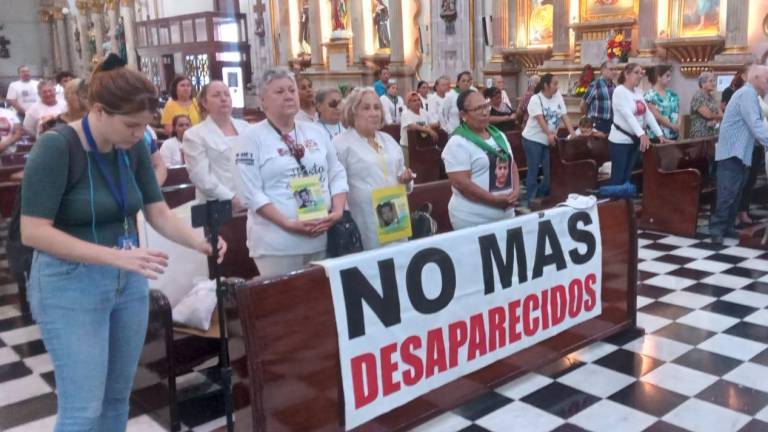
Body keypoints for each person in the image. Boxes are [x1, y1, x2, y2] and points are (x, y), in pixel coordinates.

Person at [19, 53, 226, 432]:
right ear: (98, 111)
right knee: (83, 409)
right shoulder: (56, 147)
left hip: (126, 281)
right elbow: (33, 232)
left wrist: (200, 243)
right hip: (70, 283)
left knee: (117, 400)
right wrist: (114, 256)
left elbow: (157, 211)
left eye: (144, 126)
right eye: (131, 125)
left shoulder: (132, 148)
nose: (138, 135)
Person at [235, 68, 348, 276]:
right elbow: (250, 192)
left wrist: (337, 211)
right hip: (277, 244)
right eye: (279, 92)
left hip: (319, 237)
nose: (288, 95)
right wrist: (287, 223)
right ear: (263, 101)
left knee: (318, 304)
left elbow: (336, 172)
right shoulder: (251, 138)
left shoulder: (315, 131)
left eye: (291, 90)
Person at [333, 87, 414, 250]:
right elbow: (335, 184)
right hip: (364, 216)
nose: (374, 113)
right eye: (366, 108)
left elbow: (401, 172)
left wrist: (406, 179)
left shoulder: (389, 140)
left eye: (377, 107)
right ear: (353, 111)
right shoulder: (340, 144)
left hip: (395, 215)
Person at [442, 90, 520, 229]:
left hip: (506, 216)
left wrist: (515, 191)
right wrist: (494, 201)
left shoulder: (498, 135)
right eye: (478, 109)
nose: (485, 112)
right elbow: (462, 184)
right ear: (463, 115)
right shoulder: (458, 142)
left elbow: (512, 164)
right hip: (473, 220)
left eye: (486, 106)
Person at [709, 65, 768, 244]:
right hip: (731, 153)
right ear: (755, 78)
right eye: (766, 78)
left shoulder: (752, 95)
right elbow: (755, 124)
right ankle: (716, 230)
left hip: (741, 153)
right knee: (728, 193)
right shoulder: (747, 94)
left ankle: (727, 228)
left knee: (736, 192)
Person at [183, 80, 250, 206]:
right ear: (204, 103)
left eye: (227, 94)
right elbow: (201, 177)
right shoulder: (194, 135)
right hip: (218, 204)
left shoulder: (246, 128)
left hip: (251, 200)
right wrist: (232, 199)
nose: (223, 99)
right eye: (216, 95)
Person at [609, 63, 668, 185]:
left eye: (641, 73)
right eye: (636, 72)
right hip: (621, 141)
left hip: (635, 140)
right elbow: (628, 116)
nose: (640, 75)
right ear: (626, 74)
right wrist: (641, 134)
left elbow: (647, 114)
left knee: (628, 176)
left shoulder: (638, 92)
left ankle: (625, 202)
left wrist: (659, 134)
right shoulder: (619, 91)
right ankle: (614, 202)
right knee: (618, 177)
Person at [521, 73, 575, 202]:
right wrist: (549, 134)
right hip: (532, 139)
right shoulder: (536, 99)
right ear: (546, 85)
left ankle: (542, 194)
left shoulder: (557, 96)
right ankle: (530, 198)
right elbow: (540, 119)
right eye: (555, 84)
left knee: (550, 170)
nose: (557, 87)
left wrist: (573, 133)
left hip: (549, 140)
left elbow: (564, 115)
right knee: (533, 170)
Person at [644, 64, 680, 141]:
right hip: (657, 135)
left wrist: (678, 125)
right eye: (667, 76)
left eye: (670, 76)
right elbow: (656, 116)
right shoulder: (649, 95)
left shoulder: (672, 94)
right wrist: (672, 126)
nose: (669, 79)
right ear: (658, 77)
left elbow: (677, 111)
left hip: (674, 133)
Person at [400, 91, 439, 158]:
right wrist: (428, 130)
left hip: (422, 146)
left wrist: (429, 126)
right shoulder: (405, 113)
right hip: (408, 147)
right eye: (414, 101)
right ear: (408, 103)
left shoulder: (423, 112)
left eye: (419, 100)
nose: (418, 102)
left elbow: (437, 123)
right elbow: (412, 126)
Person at [580, 62, 616, 136]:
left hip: (610, 123)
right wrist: (587, 118)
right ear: (603, 70)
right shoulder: (595, 85)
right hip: (597, 123)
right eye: (611, 69)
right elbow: (583, 103)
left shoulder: (614, 86)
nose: (614, 72)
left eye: (615, 69)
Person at [689, 71, 723, 138]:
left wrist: (717, 118)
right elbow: (708, 115)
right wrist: (718, 116)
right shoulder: (698, 97)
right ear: (702, 83)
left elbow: (720, 113)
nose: (714, 83)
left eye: (714, 81)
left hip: (712, 132)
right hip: (700, 133)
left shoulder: (711, 97)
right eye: (710, 81)